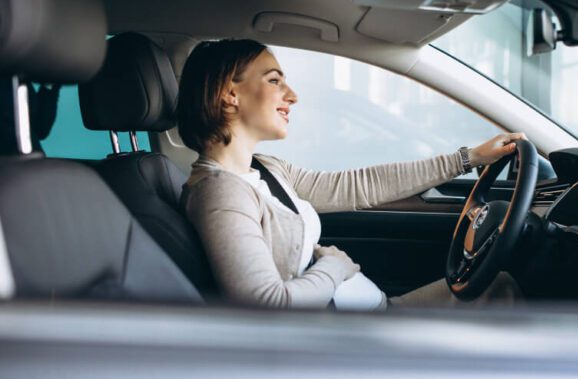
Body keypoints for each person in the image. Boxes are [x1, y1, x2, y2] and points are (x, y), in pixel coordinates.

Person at [178, 39, 522, 310]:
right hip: (354, 342)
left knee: (502, 283)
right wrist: (335, 268)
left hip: (379, 311)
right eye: (274, 81)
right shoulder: (220, 191)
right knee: (506, 292)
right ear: (230, 94)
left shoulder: (265, 169)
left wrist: (469, 157)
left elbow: (359, 186)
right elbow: (266, 305)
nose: (292, 96)